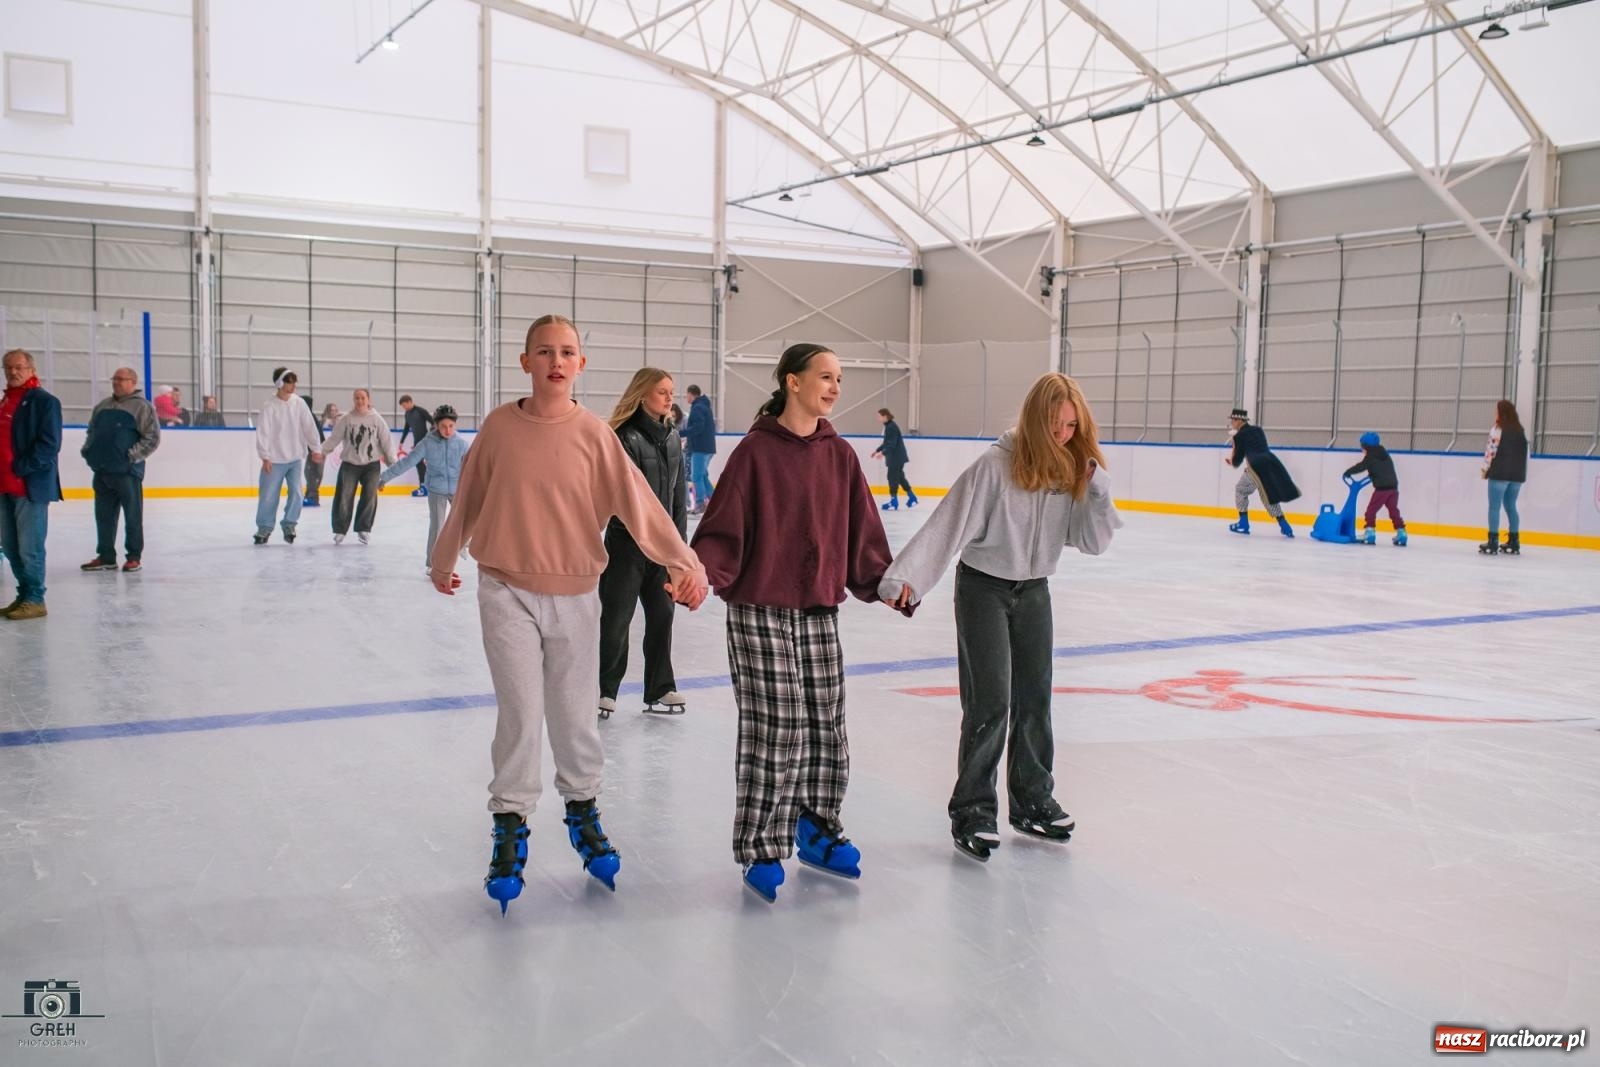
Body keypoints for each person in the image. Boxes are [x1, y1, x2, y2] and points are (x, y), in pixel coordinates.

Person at [428, 314, 707, 914]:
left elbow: (642, 508)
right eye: (544, 351)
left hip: (579, 594)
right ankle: (510, 822)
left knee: (575, 716)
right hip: (505, 589)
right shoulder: (501, 428)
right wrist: (442, 557)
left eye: (568, 352)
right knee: (522, 714)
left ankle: (582, 808)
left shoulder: (595, 436)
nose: (556, 361)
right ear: (525, 361)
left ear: (581, 365)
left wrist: (684, 561)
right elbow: (468, 498)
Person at [689, 342, 910, 903]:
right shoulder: (755, 453)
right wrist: (699, 575)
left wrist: (883, 584)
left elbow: (862, 532)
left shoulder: (839, 457)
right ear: (791, 381)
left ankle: (815, 825)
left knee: (825, 724)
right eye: (824, 376)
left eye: (839, 378)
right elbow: (721, 528)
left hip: (817, 607)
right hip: (759, 606)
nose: (834, 387)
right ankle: (762, 843)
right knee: (776, 724)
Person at [878, 374, 1119, 862]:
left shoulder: (1073, 468)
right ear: (1035, 419)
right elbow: (948, 525)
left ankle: (1032, 800)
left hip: (1035, 592)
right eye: (1055, 425)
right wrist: (906, 578)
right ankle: (973, 811)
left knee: (1035, 699)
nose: (1064, 435)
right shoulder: (995, 466)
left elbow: (1092, 542)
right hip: (983, 589)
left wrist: (1097, 492)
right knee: (989, 702)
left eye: (1072, 426)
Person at [598, 368, 689, 718]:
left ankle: (660, 688)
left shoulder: (671, 437)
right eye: (662, 392)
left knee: (662, 616)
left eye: (671, 392)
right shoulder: (623, 437)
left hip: (663, 549)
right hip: (626, 546)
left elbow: (678, 497)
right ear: (642, 394)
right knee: (617, 620)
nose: (669, 398)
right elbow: (628, 499)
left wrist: (678, 549)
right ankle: (606, 691)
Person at [0, 349, 63, 620]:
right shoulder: (5, 401)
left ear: (31, 369)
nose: (13, 372)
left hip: (28, 487)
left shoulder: (44, 401)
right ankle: (25, 594)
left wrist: (20, 468)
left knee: (30, 547)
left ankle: (36, 599)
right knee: (11, 547)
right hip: (3, 487)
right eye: (8, 367)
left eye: (19, 367)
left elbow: (49, 445)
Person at [80, 366, 161, 573]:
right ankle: (106, 556)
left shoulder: (142, 407)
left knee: (133, 516)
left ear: (133, 382)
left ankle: (133, 556)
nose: (116, 382)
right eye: (114, 379)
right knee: (103, 516)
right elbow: (91, 432)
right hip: (102, 471)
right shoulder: (102, 406)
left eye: (121, 379)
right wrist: (88, 451)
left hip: (127, 473)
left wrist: (130, 457)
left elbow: (152, 437)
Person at [380, 403, 469, 573]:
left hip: (458, 489)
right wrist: (385, 477)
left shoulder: (461, 444)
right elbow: (407, 462)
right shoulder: (427, 443)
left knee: (465, 522)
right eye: (443, 426)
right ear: (436, 425)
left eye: (451, 426)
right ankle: (431, 563)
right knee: (437, 527)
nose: (447, 430)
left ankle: (462, 545)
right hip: (437, 490)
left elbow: (475, 467)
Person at [252, 368, 323, 545]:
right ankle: (264, 528)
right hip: (274, 460)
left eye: (294, 382)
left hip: (295, 458)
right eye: (289, 381)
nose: (293, 386)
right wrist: (265, 457)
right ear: (279, 383)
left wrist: (316, 448)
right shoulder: (270, 406)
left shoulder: (299, 403)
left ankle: (289, 524)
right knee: (268, 495)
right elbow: (263, 432)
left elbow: (309, 426)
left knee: (297, 494)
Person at [319, 388, 395, 545]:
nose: (360, 401)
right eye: (356, 398)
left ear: (368, 400)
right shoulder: (346, 419)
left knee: (369, 496)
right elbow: (334, 438)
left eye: (362, 398)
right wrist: (322, 452)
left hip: (371, 465)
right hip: (350, 464)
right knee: (344, 496)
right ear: (353, 400)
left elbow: (386, 442)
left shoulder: (377, 419)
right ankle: (340, 530)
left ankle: (364, 528)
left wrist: (392, 464)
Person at [1224, 407, 1299, 537]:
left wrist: (1234, 448)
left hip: (1255, 467)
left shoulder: (1239, 436)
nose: (1232, 423)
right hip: (1271, 463)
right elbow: (1259, 448)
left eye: (1233, 420)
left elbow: (1237, 461)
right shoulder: (1258, 430)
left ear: (1239, 421)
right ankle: (1284, 525)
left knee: (1241, 490)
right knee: (1268, 494)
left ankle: (1243, 523)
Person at [1480, 399, 1529, 556]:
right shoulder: (1520, 431)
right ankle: (1514, 541)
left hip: (1500, 473)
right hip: (1516, 475)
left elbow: (1491, 450)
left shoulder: (1498, 429)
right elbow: (1526, 455)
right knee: (1511, 506)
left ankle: (1493, 541)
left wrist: (1485, 469)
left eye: (1496, 410)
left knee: (1494, 507)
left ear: (1501, 413)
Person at [1344, 432, 1406, 547]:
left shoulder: (1371, 456)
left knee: (1370, 511)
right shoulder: (1384, 454)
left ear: (1365, 446)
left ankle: (1370, 533)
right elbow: (1382, 469)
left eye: (1362, 446)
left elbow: (1361, 466)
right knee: (1393, 511)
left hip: (1382, 489)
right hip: (1393, 488)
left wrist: (1348, 472)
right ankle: (1401, 533)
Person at [871, 407, 917, 511]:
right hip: (897, 457)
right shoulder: (889, 426)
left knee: (892, 478)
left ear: (885, 416)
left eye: (879, 416)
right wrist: (877, 450)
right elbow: (887, 442)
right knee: (900, 477)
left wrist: (882, 453)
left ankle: (893, 501)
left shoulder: (891, 427)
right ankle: (912, 497)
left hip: (895, 458)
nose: (878, 418)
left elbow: (892, 444)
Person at [683, 383, 717, 514]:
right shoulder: (704, 406)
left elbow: (698, 427)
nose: (687, 397)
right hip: (707, 447)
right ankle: (715, 501)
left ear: (691, 394)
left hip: (700, 447)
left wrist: (682, 433)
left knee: (696, 475)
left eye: (687, 395)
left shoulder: (697, 408)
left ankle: (700, 503)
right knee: (702, 475)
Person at [397, 395, 435, 498]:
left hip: (426, 442)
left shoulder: (420, 411)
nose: (404, 408)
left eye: (405, 405)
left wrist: (432, 435)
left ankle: (429, 486)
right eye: (403, 407)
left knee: (429, 463)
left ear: (410, 402)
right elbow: (406, 428)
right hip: (417, 443)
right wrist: (401, 442)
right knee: (419, 463)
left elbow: (433, 422)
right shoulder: (407, 414)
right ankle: (423, 486)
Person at [301, 399, 336, 507]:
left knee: (314, 473)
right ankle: (309, 496)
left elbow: (315, 436)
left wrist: (317, 451)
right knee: (309, 473)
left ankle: (313, 498)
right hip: (315, 450)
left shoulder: (309, 417)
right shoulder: (307, 416)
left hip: (317, 451)